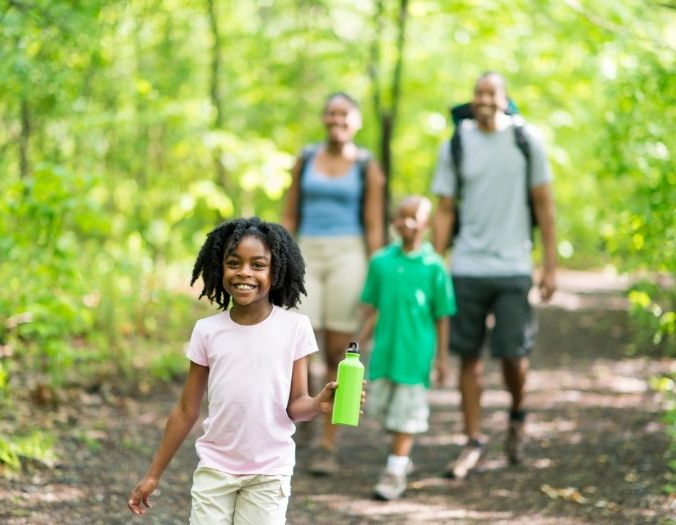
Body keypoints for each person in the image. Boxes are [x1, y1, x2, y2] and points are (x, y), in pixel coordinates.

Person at [127, 217, 360, 524]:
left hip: (269, 472)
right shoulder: (207, 331)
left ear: (275, 271)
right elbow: (186, 410)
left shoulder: (295, 328)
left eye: (258, 264)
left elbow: (296, 407)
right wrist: (153, 475)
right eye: (234, 263)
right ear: (219, 267)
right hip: (215, 469)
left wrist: (318, 404)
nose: (244, 273)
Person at [431, 72, 557, 479]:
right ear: (472, 99)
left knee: (512, 354)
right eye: (479, 93)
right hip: (467, 265)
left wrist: (549, 264)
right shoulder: (456, 143)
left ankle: (518, 414)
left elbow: (544, 204)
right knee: (468, 356)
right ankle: (473, 439)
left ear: (504, 99)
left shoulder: (527, 140)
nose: (484, 99)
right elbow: (446, 207)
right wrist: (435, 262)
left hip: (514, 265)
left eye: (492, 93)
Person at [281, 92, 385, 475]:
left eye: (344, 114)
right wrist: (277, 257)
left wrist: (378, 278)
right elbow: (289, 215)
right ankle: (300, 414)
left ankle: (328, 441)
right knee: (298, 344)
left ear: (356, 121)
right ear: (323, 118)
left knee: (339, 351)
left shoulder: (366, 165)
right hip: (306, 250)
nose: (337, 120)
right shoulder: (306, 158)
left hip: (349, 255)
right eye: (331, 113)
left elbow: (374, 225)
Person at [357, 195, 456, 500]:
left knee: (406, 414)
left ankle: (395, 469)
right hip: (385, 353)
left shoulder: (434, 266)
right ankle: (401, 457)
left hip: (415, 355)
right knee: (384, 412)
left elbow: (442, 316)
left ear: (426, 224)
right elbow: (372, 309)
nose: (407, 223)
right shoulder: (381, 262)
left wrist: (441, 359)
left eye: (414, 217)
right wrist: (358, 343)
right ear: (393, 222)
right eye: (401, 216)